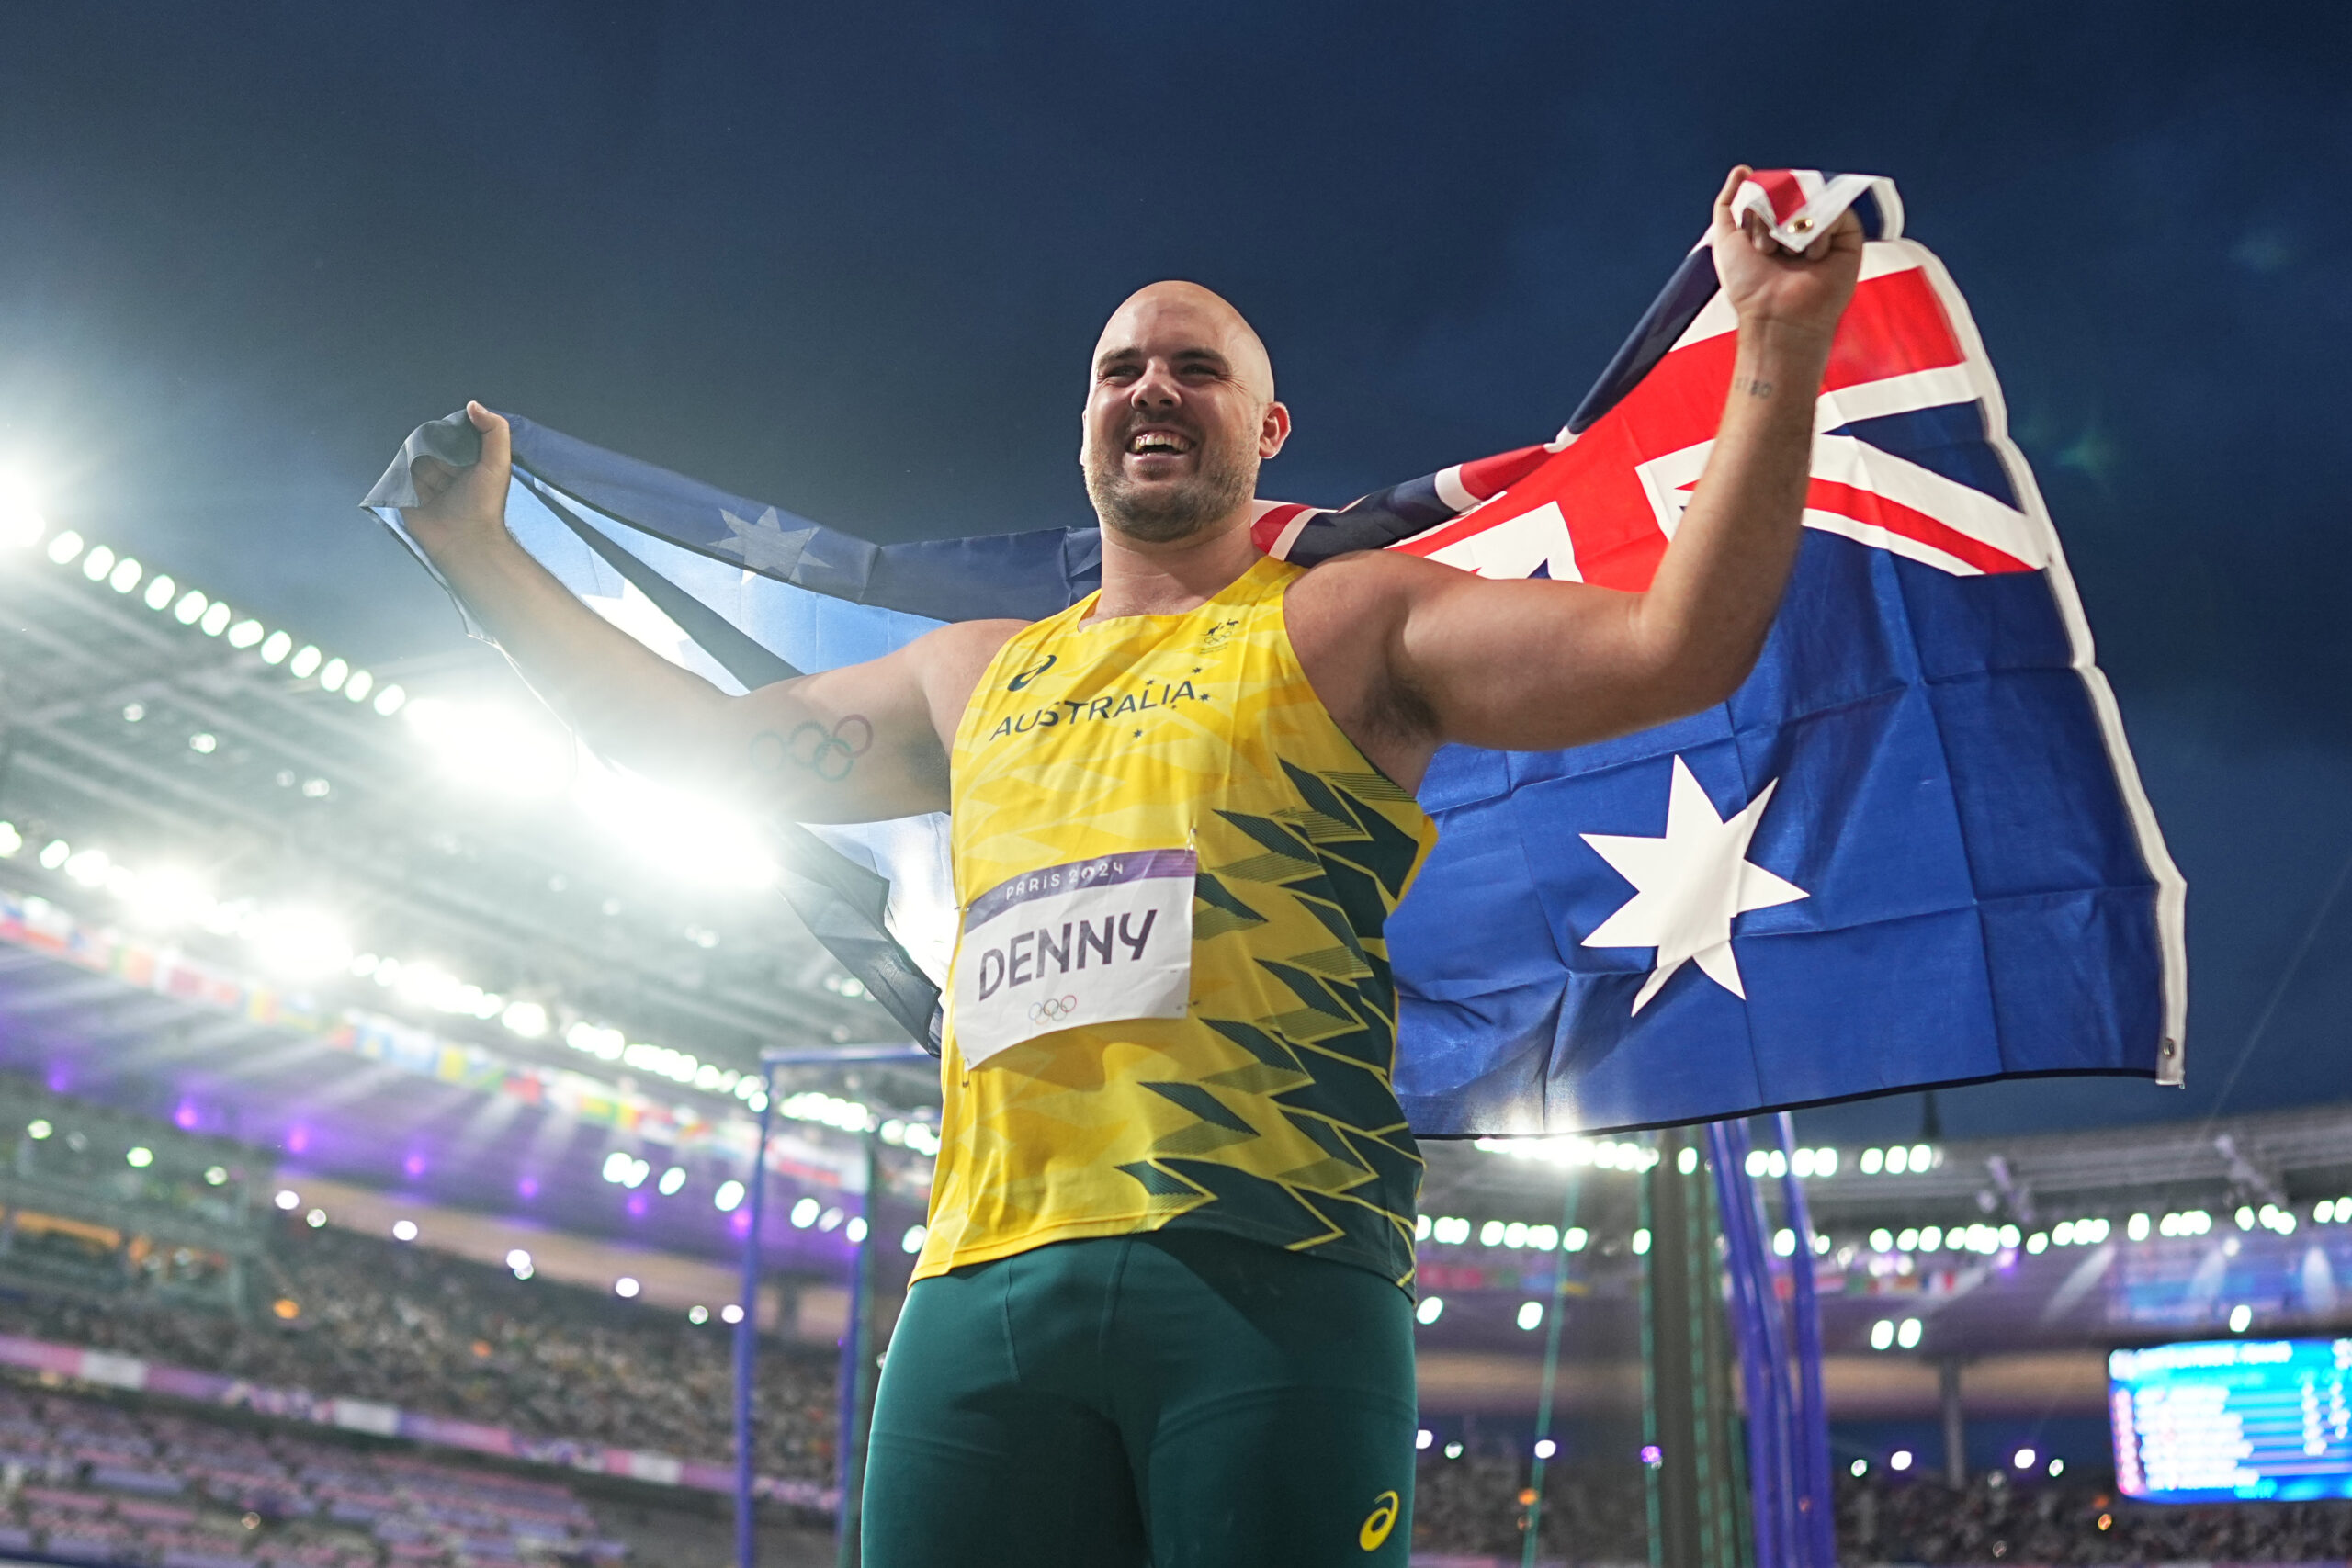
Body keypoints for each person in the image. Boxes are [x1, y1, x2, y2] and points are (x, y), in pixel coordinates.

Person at [397, 164, 1862, 1567]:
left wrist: (1777, 349)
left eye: (1196, 368)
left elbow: (1678, 646)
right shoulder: (969, 680)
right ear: (1085, 425)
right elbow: (702, 753)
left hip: (1269, 1273)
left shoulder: (1348, 628)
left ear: (1270, 428)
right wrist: (477, 555)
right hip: (980, 1295)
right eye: (1119, 370)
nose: (1152, 388)